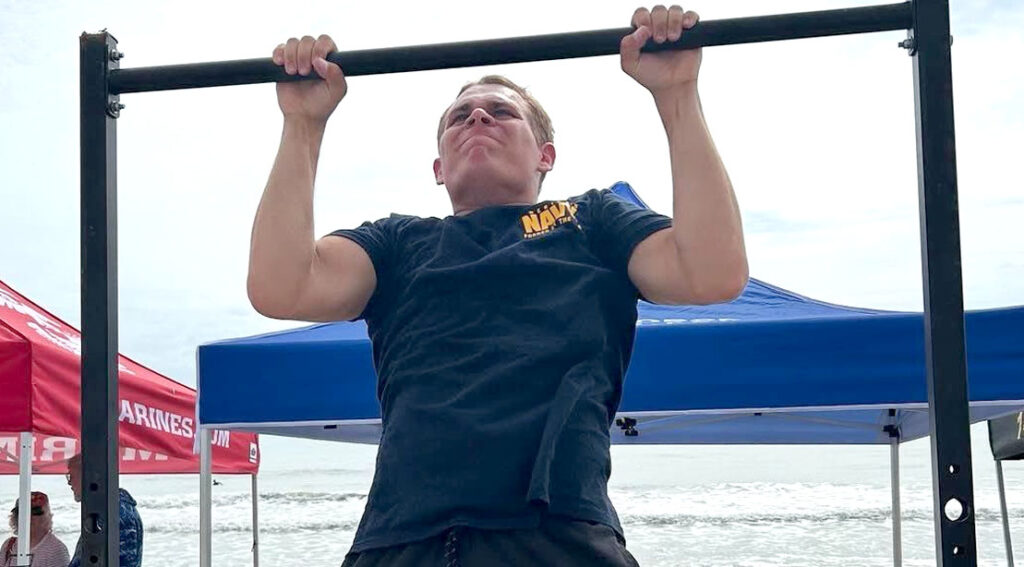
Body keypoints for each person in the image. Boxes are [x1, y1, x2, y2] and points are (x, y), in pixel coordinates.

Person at [250, 5, 747, 565]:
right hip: (401, 542)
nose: (478, 118)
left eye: (501, 112)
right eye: (459, 117)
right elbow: (281, 287)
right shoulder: (397, 243)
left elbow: (712, 273)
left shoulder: (591, 220)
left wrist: (677, 95)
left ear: (545, 156)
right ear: (439, 167)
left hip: (556, 536)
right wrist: (302, 124)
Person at [65, 455, 143, 567]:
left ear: (88, 476)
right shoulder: (113, 508)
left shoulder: (113, 512)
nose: (69, 483)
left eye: (71, 476)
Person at [1, 492, 69, 567]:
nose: (29, 517)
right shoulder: (8, 546)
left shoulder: (56, 549)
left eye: (36, 512)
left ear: (48, 515)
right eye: (23, 513)